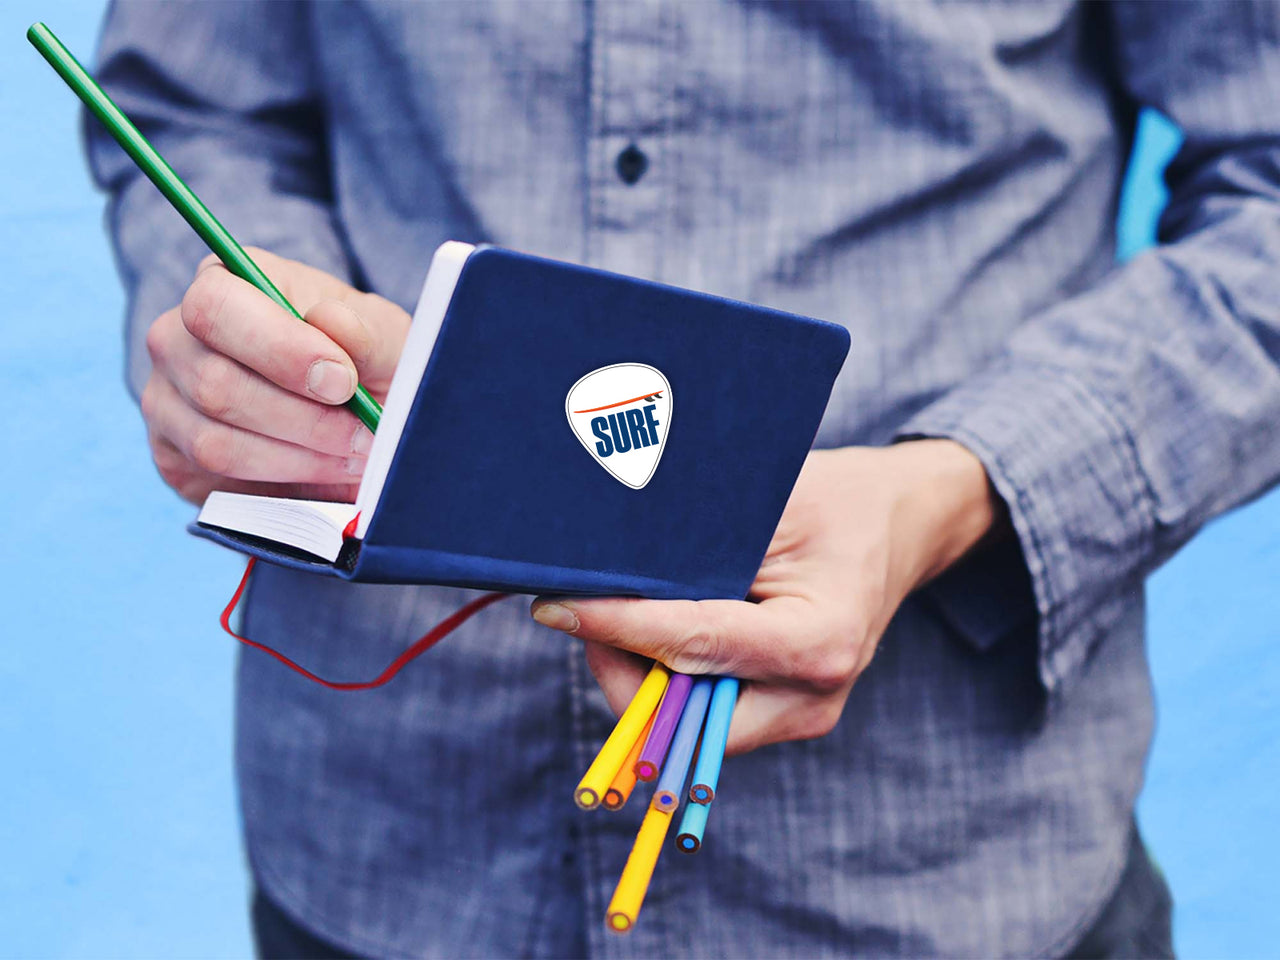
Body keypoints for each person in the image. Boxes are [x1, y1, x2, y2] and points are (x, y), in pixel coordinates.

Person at [86, 1, 1280, 956]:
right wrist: (236, 327)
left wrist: (945, 491)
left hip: (950, 863)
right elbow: (196, 109)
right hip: (381, 843)